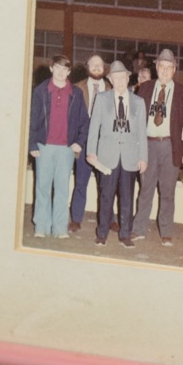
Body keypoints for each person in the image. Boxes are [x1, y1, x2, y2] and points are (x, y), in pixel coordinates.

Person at [130, 49, 183, 246]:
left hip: (170, 146)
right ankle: (139, 228)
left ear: (174, 69)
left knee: (167, 192)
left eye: (169, 67)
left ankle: (166, 231)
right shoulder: (146, 88)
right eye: (162, 67)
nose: (165, 71)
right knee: (145, 190)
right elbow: (136, 119)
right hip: (148, 145)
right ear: (156, 67)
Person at [86, 60, 148, 247]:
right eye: (116, 78)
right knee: (106, 196)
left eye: (123, 78)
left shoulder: (138, 102)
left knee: (127, 197)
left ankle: (125, 235)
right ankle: (102, 233)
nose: (120, 81)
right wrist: (91, 152)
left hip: (129, 157)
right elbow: (94, 127)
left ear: (128, 78)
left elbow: (141, 132)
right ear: (111, 80)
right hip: (107, 157)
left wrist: (143, 157)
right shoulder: (102, 99)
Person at [28, 55, 89, 238]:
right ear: (51, 68)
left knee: (62, 189)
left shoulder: (76, 94)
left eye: (65, 69)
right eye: (58, 68)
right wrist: (32, 143)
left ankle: (60, 228)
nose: (61, 72)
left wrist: (79, 142)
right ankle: (41, 226)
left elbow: (84, 122)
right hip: (44, 146)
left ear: (69, 72)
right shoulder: (40, 91)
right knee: (42, 187)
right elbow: (32, 119)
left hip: (66, 149)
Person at [71, 54, 111, 233]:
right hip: (84, 142)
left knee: (107, 185)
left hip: (104, 144)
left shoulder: (112, 89)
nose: (96, 67)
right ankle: (76, 219)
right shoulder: (76, 88)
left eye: (99, 65)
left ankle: (110, 219)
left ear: (104, 69)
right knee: (81, 182)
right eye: (93, 64)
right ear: (87, 67)